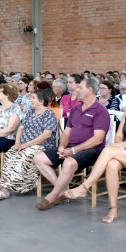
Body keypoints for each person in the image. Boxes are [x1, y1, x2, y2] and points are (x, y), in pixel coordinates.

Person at [64, 82, 126, 223]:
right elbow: (118, 136)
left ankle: (85, 186)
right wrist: (121, 145)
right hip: (125, 152)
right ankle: (113, 209)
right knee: (111, 164)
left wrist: (121, 145)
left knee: (109, 150)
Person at [33, 78, 110, 210]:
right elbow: (67, 133)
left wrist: (73, 151)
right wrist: (62, 146)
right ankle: (63, 192)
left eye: (80, 87)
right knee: (38, 158)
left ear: (90, 90)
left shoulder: (100, 111)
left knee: (69, 162)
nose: (76, 90)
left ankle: (52, 196)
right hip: (71, 147)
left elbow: (98, 139)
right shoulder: (76, 109)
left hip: (92, 150)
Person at [0, 88, 58, 200]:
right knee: (10, 154)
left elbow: (46, 135)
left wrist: (26, 145)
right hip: (24, 144)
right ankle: (5, 186)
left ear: (41, 101)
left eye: (33, 98)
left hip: (42, 146)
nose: (30, 100)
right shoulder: (30, 112)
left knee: (22, 156)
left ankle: (3, 187)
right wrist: (17, 142)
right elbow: (21, 128)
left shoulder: (49, 114)